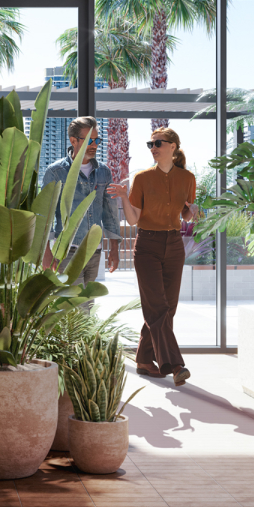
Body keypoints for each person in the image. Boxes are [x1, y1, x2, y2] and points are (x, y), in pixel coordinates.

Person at [109, 128, 197, 385]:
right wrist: (125, 197)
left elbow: (185, 216)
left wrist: (194, 212)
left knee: (168, 307)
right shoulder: (142, 178)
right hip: (147, 244)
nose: (153, 147)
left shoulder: (188, 178)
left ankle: (145, 360)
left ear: (173, 147)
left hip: (174, 244)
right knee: (156, 307)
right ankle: (175, 364)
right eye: (150, 144)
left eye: (158, 143)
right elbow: (134, 218)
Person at [41, 116, 121, 285]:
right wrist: (46, 252)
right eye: (89, 140)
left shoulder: (103, 172)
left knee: (88, 304)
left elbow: (110, 213)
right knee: (72, 305)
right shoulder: (56, 172)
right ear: (73, 140)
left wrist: (114, 247)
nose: (94, 145)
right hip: (66, 251)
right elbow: (45, 214)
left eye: (97, 139)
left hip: (95, 250)